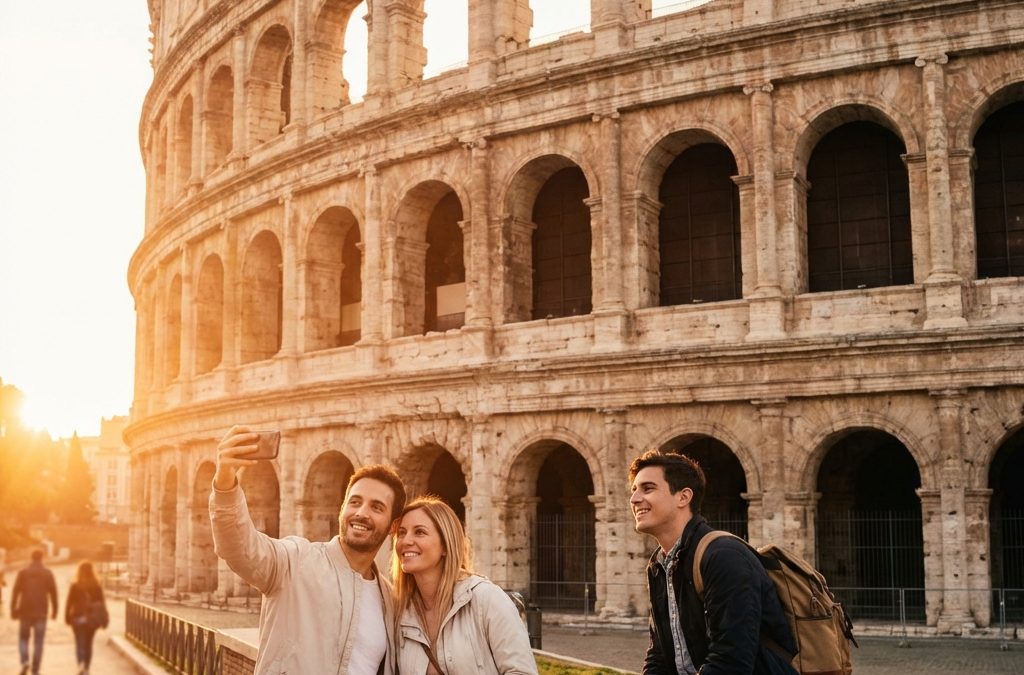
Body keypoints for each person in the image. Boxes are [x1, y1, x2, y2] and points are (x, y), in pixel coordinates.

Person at [211, 424, 407, 675]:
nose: (361, 513)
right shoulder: (294, 561)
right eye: (355, 502)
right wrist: (225, 482)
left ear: (393, 526)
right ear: (342, 508)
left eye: (376, 507)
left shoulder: (389, 599)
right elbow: (239, 547)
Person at [628, 449, 797, 675]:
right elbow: (660, 654)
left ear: (683, 497)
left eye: (648, 488)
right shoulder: (659, 565)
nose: (635, 499)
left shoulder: (724, 556)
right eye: (634, 490)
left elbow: (731, 661)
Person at [392, 496, 537, 675]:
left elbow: (521, 671)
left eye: (419, 532)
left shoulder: (486, 599)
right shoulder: (400, 611)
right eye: (401, 533)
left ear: (446, 544)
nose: (406, 541)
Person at [10, 549, 58, 675]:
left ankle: (25, 661)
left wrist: (13, 609)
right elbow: (53, 593)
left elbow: (16, 592)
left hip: (25, 610)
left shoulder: (23, 573)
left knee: (23, 638)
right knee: (39, 641)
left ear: (31, 558)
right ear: (42, 558)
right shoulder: (48, 573)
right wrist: (55, 610)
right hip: (41, 611)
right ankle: (35, 669)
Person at [65, 560, 108, 675]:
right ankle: (87, 668)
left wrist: (67, 618)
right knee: (89, 644)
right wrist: (105, 619)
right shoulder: (96, 586)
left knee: (79, 643)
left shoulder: (75, 585)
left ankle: (81, 665)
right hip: (92, 620)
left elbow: (69, 603)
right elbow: (102, 603)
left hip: (77, 618)